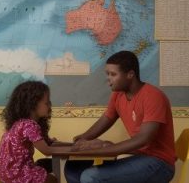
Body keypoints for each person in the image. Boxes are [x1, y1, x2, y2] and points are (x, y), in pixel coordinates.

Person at [65, 50, 176, 183]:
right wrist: (82, 139)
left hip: (159, 163)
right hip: (139, 157)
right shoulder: (118, 95)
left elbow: (144, 139)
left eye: (113, 74)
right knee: (73, 169)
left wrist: (106, 148)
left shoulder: (153, 96)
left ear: (130, 74)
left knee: (90, 177)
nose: (108, 78)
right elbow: (107, 118)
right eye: (108, 74)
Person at [0, 81, 72, 183]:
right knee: (54, 179)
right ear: (32, 104)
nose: (50, 105)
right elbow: (47, 151)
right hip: (17, 175)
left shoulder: (19, 123)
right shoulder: (29, 125)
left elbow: (47, 143)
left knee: (45, 166)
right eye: (47, 102)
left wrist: (70, 145)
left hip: (5, 174)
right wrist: (74, 148)